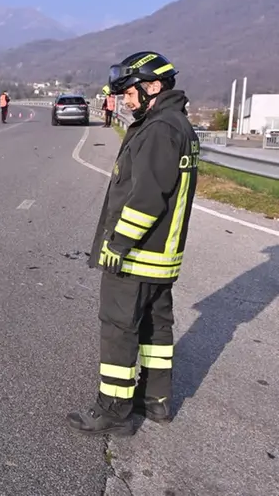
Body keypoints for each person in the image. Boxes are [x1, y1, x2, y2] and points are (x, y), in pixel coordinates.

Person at [67, 51, 199, 436]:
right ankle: (155, 401)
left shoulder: (159, 129)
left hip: (137, 256)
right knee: (156, 331)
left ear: (153, 87)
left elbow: (146, 197)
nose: (125, 99)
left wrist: (119, 242)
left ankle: (113, 410)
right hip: (162, 257)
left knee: (119, 329)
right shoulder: (179, 125)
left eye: (130, 91)